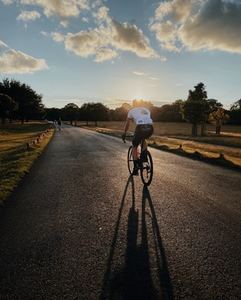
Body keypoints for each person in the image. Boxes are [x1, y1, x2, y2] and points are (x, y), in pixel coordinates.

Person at [122, 106, 153, 175]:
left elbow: (127, 123)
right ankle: (144, 157)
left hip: (140, 128)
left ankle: (136, 168)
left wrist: (124, 133)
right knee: (143, 139)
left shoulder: (131, 111)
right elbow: (146, 119)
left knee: (134, 145)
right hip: (150, 128)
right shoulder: (146, 109)